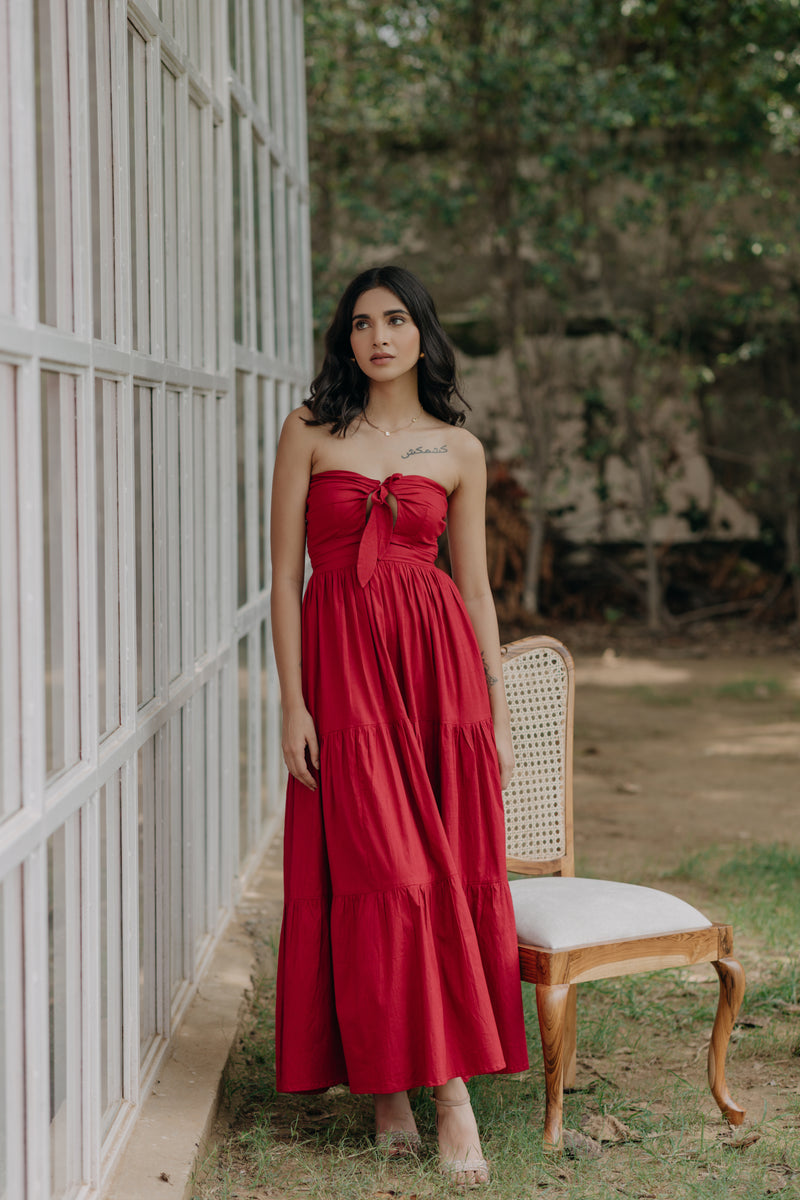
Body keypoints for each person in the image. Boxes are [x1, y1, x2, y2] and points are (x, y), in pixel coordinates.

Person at [270, 265, 528, 1186]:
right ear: (345, 340)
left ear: (423, 333)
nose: (377, 336)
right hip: (344, 678)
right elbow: (286, 584)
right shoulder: (308, 431)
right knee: (386, 871)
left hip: (437, 678)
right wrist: (294, 704)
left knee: (441, 873)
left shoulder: (459, 448)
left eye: (395, 320)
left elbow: (476, 590)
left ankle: (423, 1090)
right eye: (360, 323)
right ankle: (419, 1087)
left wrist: (491, 714)